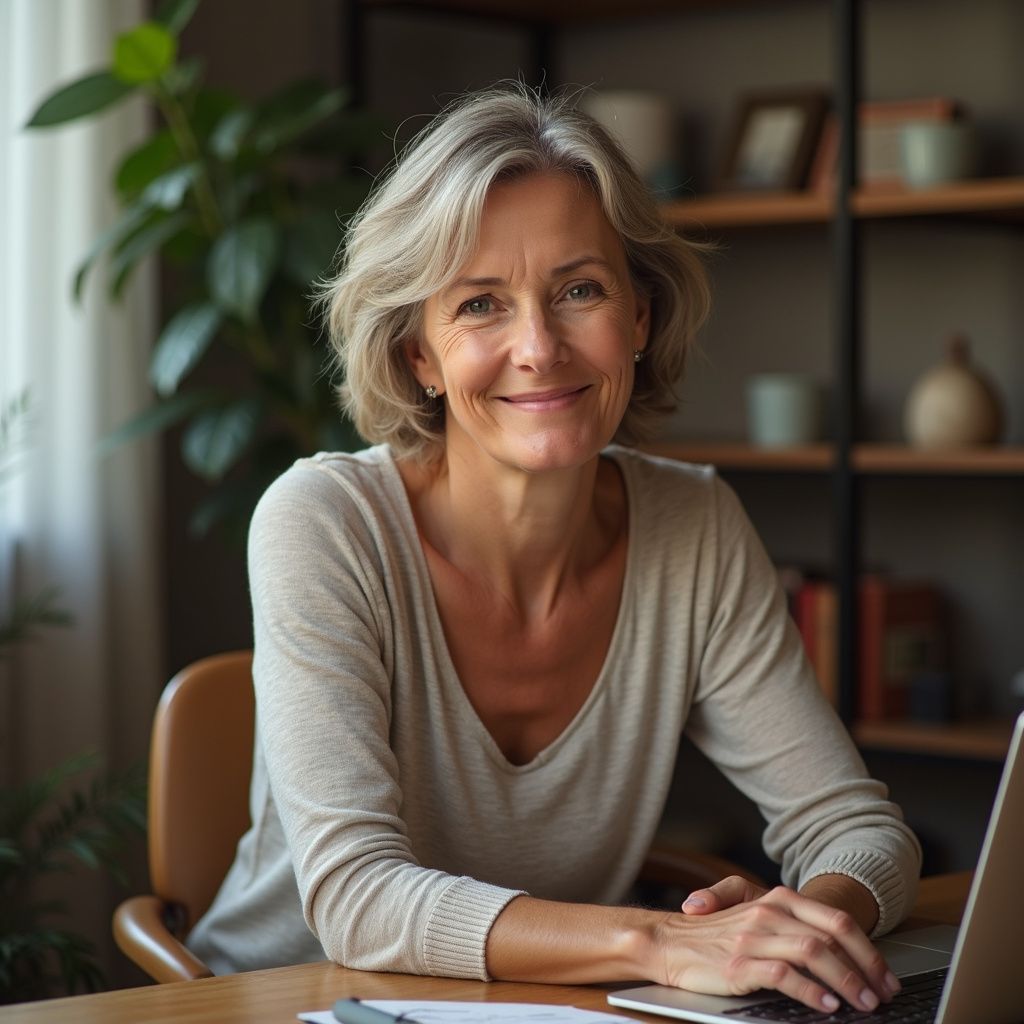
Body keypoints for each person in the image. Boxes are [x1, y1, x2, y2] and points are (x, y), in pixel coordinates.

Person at [187, 85, 921, 1015]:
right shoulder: (324, 521)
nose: (538, 347)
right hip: (277, 1002)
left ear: (641, 316)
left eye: (580, 290)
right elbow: (357, 900)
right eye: (482, 304)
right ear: (421, 353)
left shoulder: (692, 527)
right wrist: (660, 940)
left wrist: (797, 933)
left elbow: (857, 827)